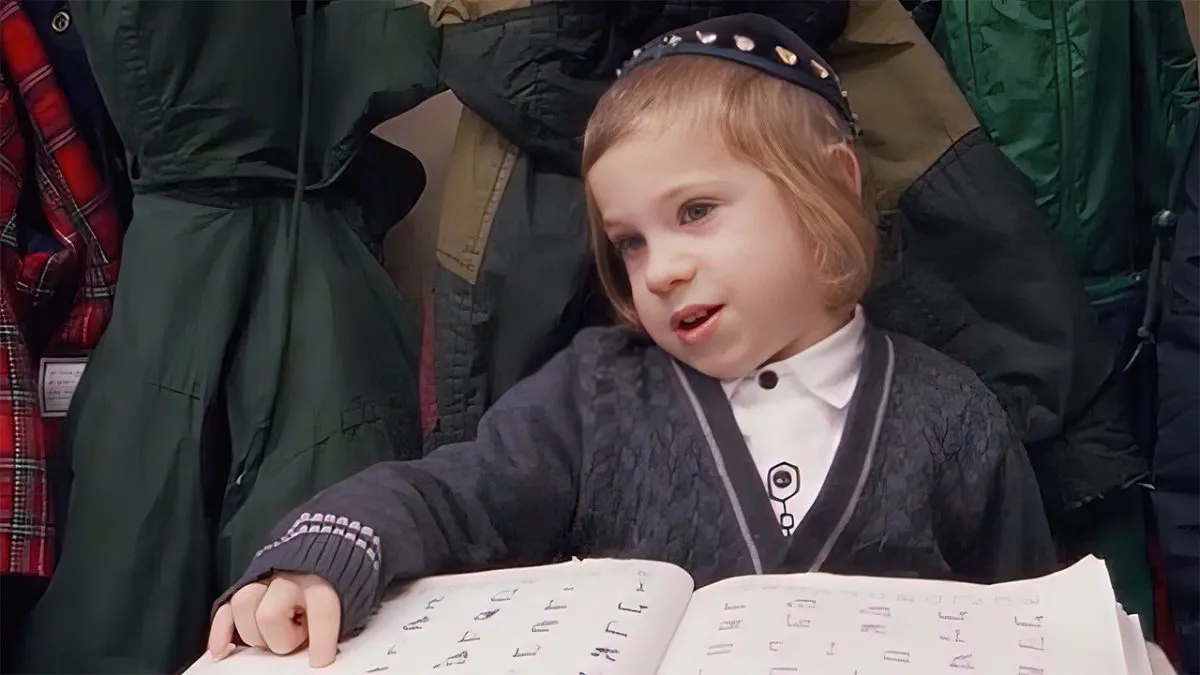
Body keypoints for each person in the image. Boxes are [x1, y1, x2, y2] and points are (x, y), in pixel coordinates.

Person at [206, 14, 1057, 667]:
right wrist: (325, 551)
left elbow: (1033, 631)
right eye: (630, 241)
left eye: (695, 213)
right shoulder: (592, 394)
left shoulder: (957, 417)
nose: (659, 271)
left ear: (829, 187)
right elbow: (451, 495)